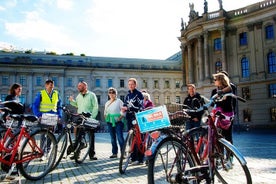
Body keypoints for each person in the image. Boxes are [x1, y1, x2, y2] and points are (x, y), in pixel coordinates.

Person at [32, 79, 62, 159]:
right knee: (43, 135)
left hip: (53, 117)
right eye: (50, 86)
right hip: (43, 117)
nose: (51, 88)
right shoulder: (41, 94)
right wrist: (38, 115)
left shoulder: (56, 94)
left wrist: (59, 116)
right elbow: (35, 105)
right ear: (46, 85)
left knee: (50, 135)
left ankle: (47, 152)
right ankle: (42, 152)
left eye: (52, 86)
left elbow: (59, 106)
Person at [69, 81, 98, 160]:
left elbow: (95, 106)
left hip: (89, 118)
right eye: (78, 86)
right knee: (78, 137)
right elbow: (77, 105)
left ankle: (92, 155)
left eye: (80, 86)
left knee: (91, 137)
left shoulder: (92, 95)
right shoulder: (78, 96)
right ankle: (76, 154)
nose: (78, 87)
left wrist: (92, 117)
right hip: (80, 118)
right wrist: (72, 101)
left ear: (85, 86)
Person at [121, 78, 144, 165]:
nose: (130, 86)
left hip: (137, 118)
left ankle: (140, 159)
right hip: (129, 118)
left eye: (132, 84)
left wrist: (129, 108)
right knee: (131, 139)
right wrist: (123, 108)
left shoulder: (139, 94)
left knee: (139, 138)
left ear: (135, 85)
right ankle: (133, 157)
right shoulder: (127, 95)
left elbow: (141, 107)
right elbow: (125, 104)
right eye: (129, 84)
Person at [211, 72, 234, 144]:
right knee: (217, 136)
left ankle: (230, 155)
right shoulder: (215, 91)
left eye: (215, 79)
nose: (214, 81)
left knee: (227, 136)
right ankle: (220, 154)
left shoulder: (229, 89)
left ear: (220, 80)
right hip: (218, 116)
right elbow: (212, 103)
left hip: (226, 116)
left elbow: (227, 104)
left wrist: (218, 101)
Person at [104, 87, 125, 159]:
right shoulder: (107, 103)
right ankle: (114, 153)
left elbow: (123, 110)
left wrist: (121, 117)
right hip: (110, 122)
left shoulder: (119, 101)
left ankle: (123, 153)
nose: (111, 94)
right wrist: (106, 117)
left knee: (120, 137)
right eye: (110, 92)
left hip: (118, 122)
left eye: (113, 92)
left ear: (116, 94)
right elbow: (105, 112)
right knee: (113, 138)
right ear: (108, 94)